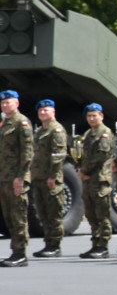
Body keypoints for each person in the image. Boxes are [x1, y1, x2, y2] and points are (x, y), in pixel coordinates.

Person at [30, 99, 68, 258]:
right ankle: (48, 243)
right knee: (43, 212)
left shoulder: (56, 130)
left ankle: (55, 245)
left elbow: (59, 155)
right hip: (39, 178)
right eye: (41, 111)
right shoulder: (39, 132)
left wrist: (53, 176)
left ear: (53, 112)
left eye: (46, 110)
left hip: (51, 179)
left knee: (53, 213)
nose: (43, 112)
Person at [0, 90, 33, 267]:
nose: (5, 105)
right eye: (3, 103)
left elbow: (27, 153)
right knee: (8, 216)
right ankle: (14, 251)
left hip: (16, 178)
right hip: (4, 178)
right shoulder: (6, 123)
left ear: (17, 104)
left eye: (8, 102)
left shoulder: (22, 123)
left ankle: (20, 254)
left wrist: (21, 177)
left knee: (18, 215)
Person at [77, 103, 115, 258]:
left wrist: (84, 171)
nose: (92, 118)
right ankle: (95, 244)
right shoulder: (88, 134)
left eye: (95, 115)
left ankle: (103, 246)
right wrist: (80, 170)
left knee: (102, 214)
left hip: (100, 179)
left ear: (101, 116)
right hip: (88, 180)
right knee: (91, 214)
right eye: (89, 116)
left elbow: (101, 157)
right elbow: (82, 156)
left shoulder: (105, 133)